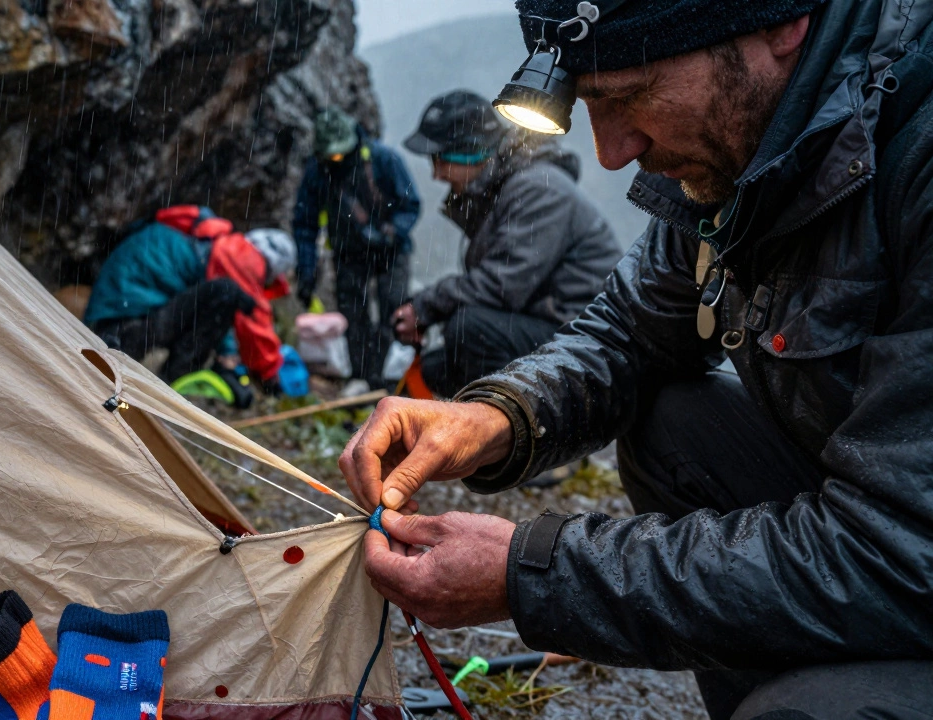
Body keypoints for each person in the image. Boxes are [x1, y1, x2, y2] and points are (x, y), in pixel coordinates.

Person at [339, 0, 933, 718]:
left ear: (780, 23)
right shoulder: (743, 153)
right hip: (889, 530)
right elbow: (628, 330)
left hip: (906, 554)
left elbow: (901, 553)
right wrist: (496, 417)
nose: (612, 152)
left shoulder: (913, 153)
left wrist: (529, 574)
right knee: (677, 422)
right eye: (589, 103)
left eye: (630, 96)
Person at [394, 90, 621, 397]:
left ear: (468, 152)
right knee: (437, 367)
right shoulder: (502, 188)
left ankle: (501, 434)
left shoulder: (537, 187)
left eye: (440, 159)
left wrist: (426, 307)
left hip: (587, 337)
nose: (436, 174)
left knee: (469, 327)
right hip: (548, 323)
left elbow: (503, 286)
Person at [84, 205, 295, 396]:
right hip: (131, 322)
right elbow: (252, 324)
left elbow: (216, 307)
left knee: (225, 293)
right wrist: (270, 374)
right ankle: (167, 390)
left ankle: (157, 384)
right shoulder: (244, 258)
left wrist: (227, 354)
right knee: (228, 291)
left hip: (112, 310)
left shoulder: (209, 234)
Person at [292, 107, 420, 392]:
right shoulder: (317, 172)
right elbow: (305, 224)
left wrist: (390, 232)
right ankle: (361, 376)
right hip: (348, 251)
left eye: (340, 154)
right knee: (353, 312)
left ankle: (392, 376)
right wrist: (306, 270)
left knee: (394, 307)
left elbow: (410, 205)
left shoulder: (384, 159)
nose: (336, 160)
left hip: (391, 249)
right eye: (330, 155)